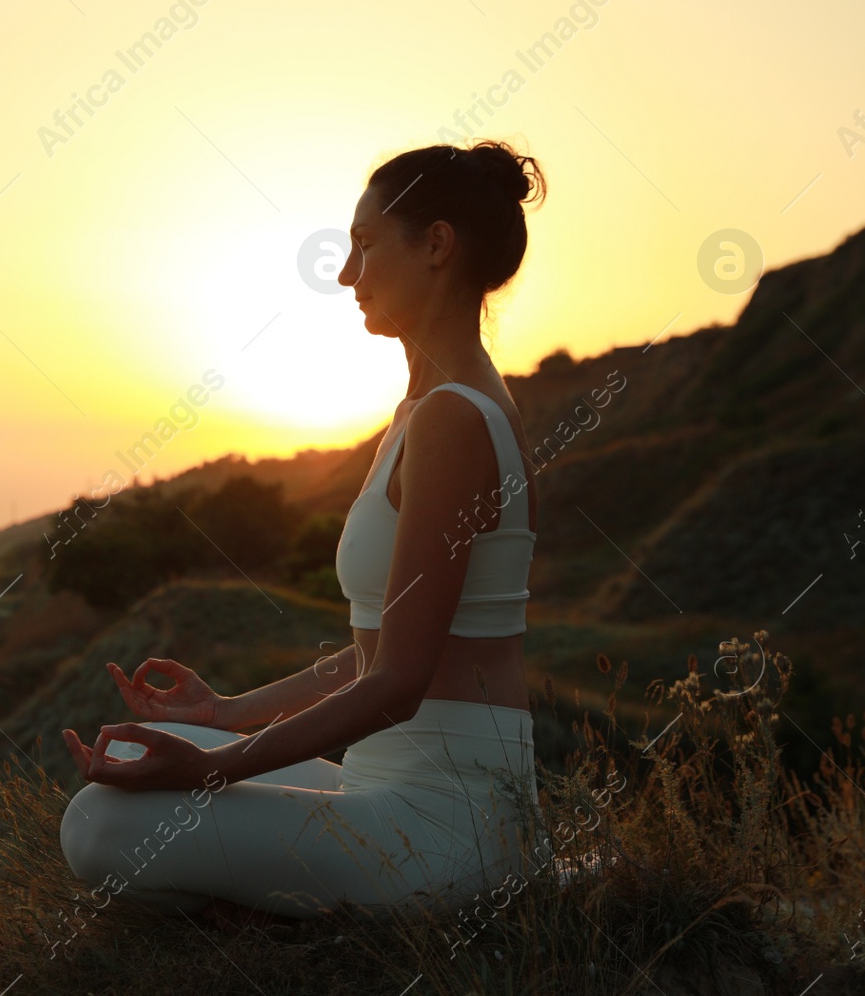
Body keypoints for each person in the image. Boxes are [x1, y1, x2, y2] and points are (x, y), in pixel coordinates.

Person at [59, 140, 547, 921]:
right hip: (384, 784)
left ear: (436, 246)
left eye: (363, 245)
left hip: (447, 822)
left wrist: (212, 771)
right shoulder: (425, 411)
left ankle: (273, 920)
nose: (348, 273)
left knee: (97, 824)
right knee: (120, 766)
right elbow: (372, 652)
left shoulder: (456, 418)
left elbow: (397, 682)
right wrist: (223, 714)